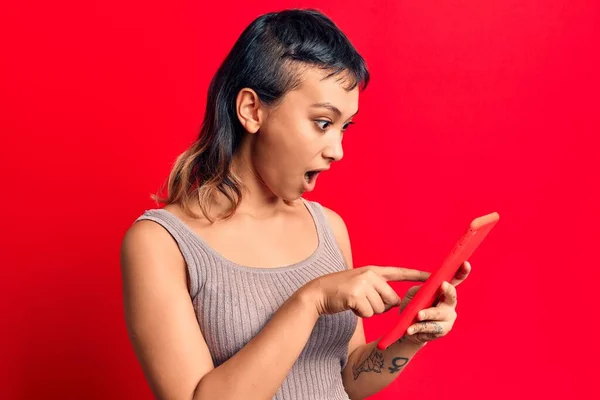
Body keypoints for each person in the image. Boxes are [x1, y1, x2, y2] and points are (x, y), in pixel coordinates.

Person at [120, 8, 471, 400]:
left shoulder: (329, 228)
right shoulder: (161, 243)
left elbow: (348, 379)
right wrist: (310, 301)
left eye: (345, 127)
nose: (337, 150)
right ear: (252, 110)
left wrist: (408, 336)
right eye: (323, 122)